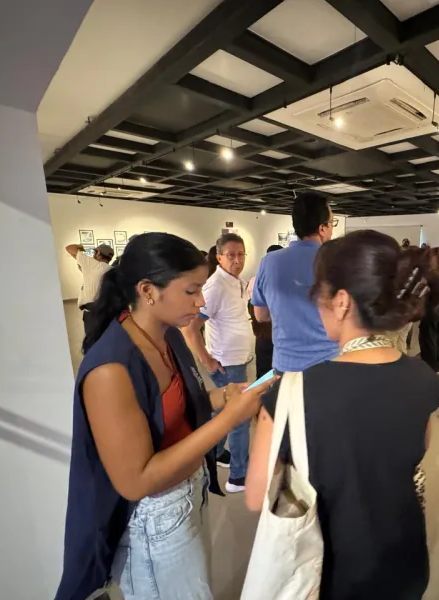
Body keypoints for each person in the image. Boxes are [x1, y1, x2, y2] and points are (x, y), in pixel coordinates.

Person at [55, 233, 272, 600]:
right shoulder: (110, 370)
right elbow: (136, 481)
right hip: (154, 517)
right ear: (148, 291)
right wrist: (227, 419)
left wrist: (223, 397)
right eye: (191, 291)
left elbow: (175, 407)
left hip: (188, 492)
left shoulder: (165, 335)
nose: (201, 301)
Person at [245, 230, 439, 599]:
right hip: (406, 561)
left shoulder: (292, 394)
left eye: (317, 294)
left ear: (341, 301)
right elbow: (414, 451)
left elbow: (257, 496)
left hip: (333, 574)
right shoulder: (425, 379)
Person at [180, 233, 254, 493]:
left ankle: (214, 453)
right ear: (219, 257)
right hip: (226, 362)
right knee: (240, 417)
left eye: (241, 254)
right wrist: (207, 360)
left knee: (223, 412)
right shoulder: (215, 286)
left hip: (238, 359)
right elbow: (189, 328)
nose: (237, 260)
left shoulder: (236, 282)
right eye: (231, 255)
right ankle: (238, 476)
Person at [251, 192, 339, 372]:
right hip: (327, 363)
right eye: (332, 223)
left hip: (285, 364)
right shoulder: (336, 262)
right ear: (322, 228)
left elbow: (260, 315)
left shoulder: (269, 261)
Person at [247, 244, 283, 378]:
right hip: (276, 333)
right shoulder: (284, 281)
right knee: (278, 373)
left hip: (262, 334)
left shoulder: (255, 280)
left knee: (263, 372)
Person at [66, 242, 114, 336]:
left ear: (98, 253)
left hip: (92, 314)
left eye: (94, 252)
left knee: (92, 341)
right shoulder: (110, 269)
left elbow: (69, 248)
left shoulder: (93, 265)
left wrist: (80, 248)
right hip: (106, 311)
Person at [418, 246, 439, 372]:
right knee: (437, 337)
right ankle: (438, 362)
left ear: (436, 258)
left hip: (431, 311)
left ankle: (430, 366)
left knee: (428, 338)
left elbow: (417, 292)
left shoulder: (431, 275)